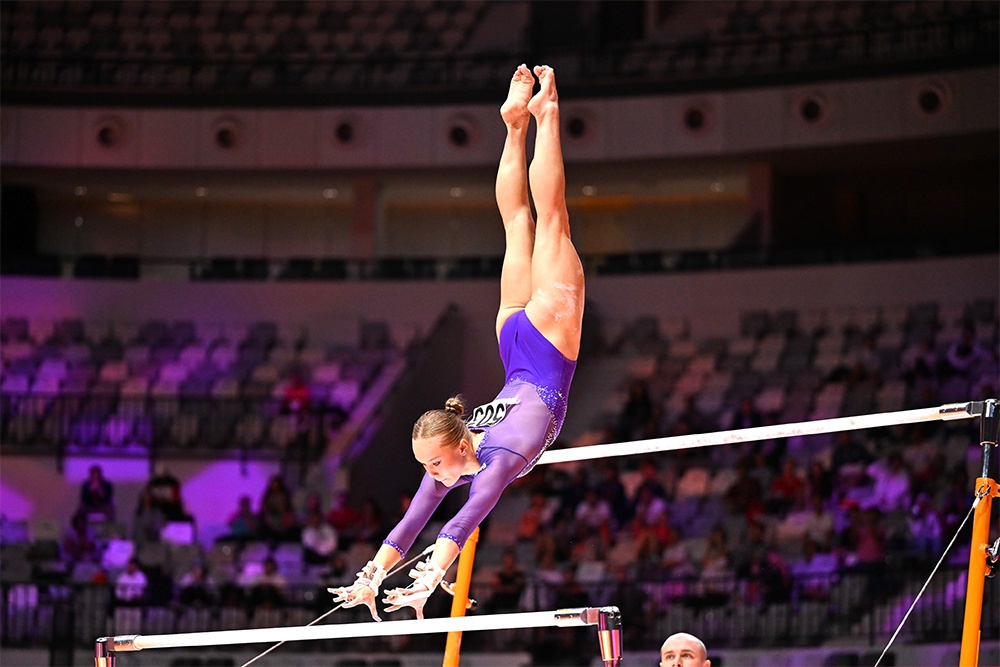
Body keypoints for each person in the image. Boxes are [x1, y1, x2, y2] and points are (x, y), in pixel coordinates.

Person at [330, 64, 584, 621]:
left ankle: (539, 118)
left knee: (543, 222)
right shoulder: (470, 451)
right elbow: (412, 523)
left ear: (459, 446)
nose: (434, 475)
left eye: (436, 465)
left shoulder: (496, 455)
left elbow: (460, 521)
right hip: (521, 344)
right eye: (431, 468)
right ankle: (518, 125)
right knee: (527, 223)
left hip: (535, 343)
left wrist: (415, 579)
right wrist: (375, 574)